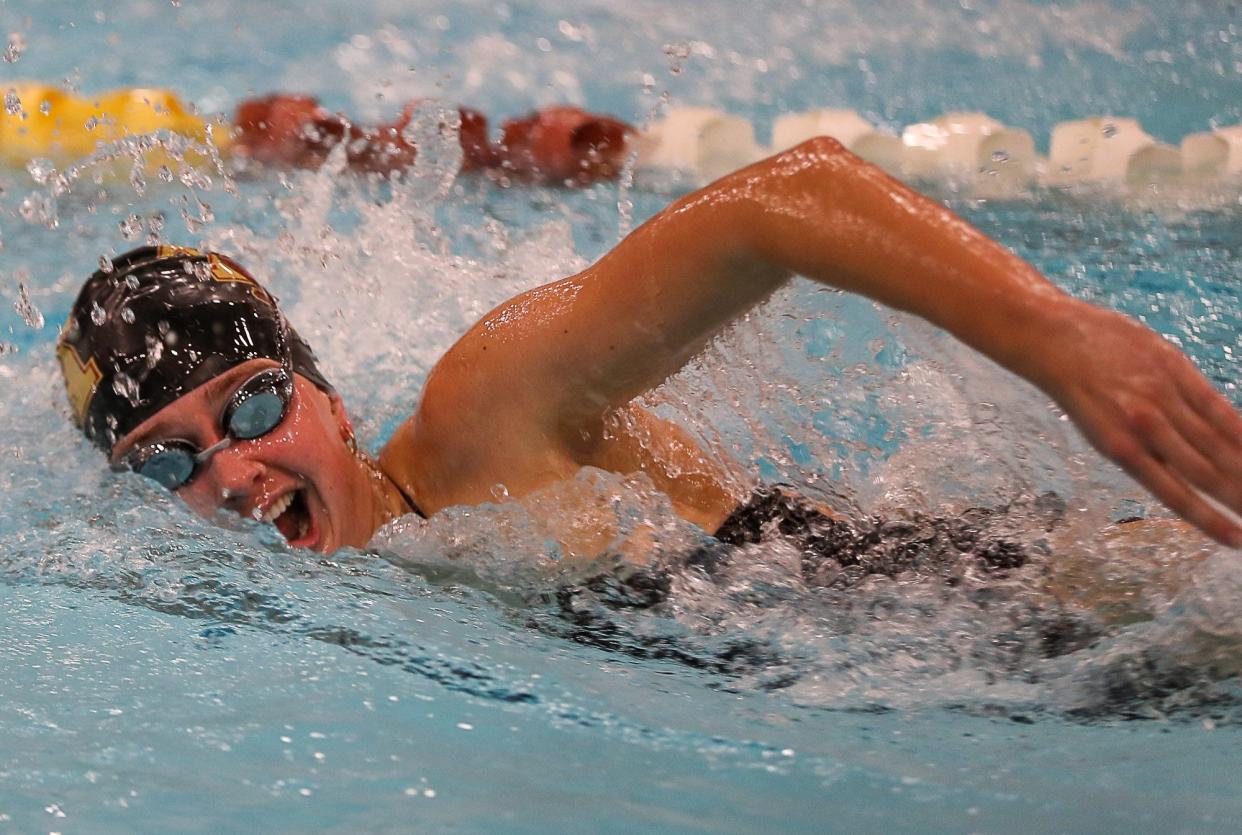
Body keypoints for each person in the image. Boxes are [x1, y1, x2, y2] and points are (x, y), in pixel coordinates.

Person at [56, 137, 1242, 558]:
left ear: (330, 394)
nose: (227, 472)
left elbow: (786, 198)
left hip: (940, 593)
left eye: (254, 408)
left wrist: (1058, 338)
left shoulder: (483, 414)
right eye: (169, 459)